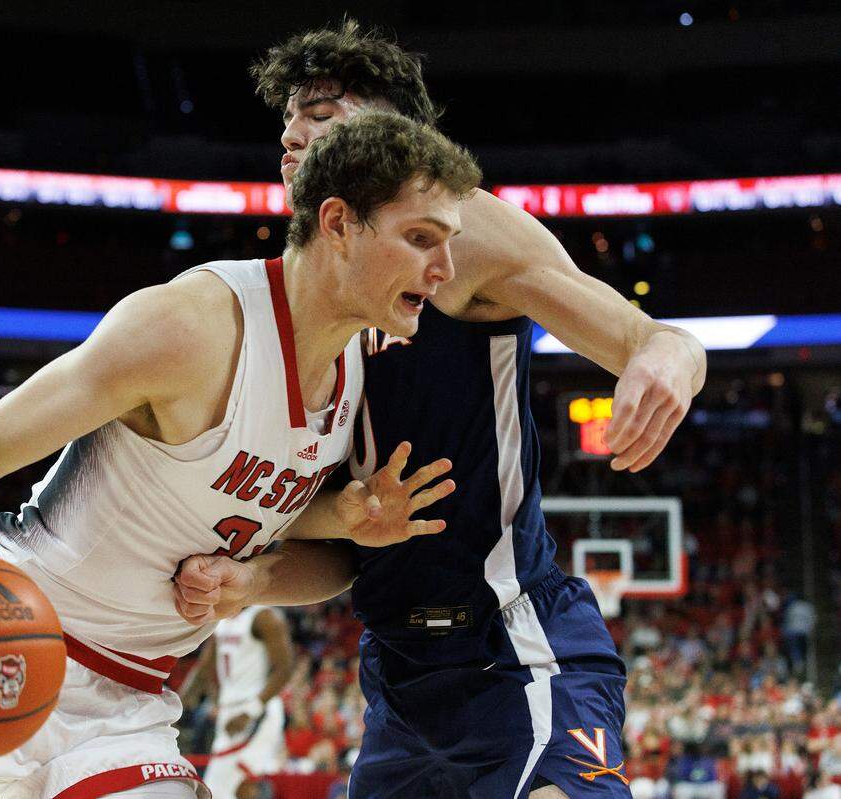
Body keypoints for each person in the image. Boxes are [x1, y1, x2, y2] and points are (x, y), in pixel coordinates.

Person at [0, 111, 481, 799]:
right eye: (421, 238)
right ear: (337, 223)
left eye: (448, 243)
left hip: (127, 709)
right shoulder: (192, 330)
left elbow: (320, 554)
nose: (445, 268)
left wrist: (325, 534)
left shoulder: (366, 371)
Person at [172, 20, 707, 799]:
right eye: (287, 126)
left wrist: (665, 360)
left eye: (320, 120)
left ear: (396, 137)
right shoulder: (299, 295)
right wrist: (253, 581)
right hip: (397, 673)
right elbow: (349, 541)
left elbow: (647, 335)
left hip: (514, 639)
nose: (292, 139)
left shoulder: (462, 231)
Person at [179, 607, 293, 799]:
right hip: (231, 712)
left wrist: (250, 711)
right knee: (234, 789)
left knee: (228, 787)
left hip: (256, 712)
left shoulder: (264, 617)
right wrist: (177, 707)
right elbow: (204, 668)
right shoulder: (222, 619)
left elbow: (285, 669)